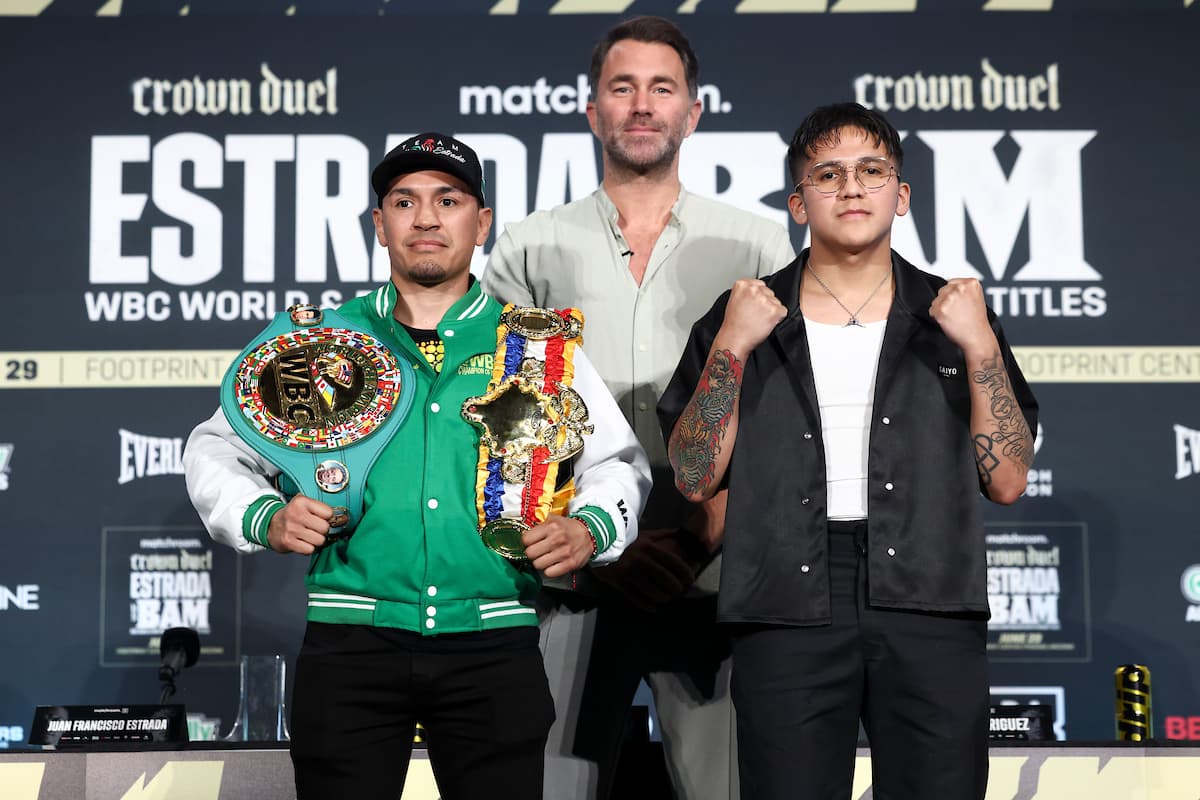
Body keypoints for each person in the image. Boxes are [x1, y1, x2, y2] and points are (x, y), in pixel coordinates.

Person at [183, 132, 650, 800]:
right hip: (352, 641)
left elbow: (619, 465)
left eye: (448, 199)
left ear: (481, 221)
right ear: (379, 223)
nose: (426, 218)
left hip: (494, 639)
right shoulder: (320, 342)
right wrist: (264, 517)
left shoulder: (535, 345)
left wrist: (591, 529)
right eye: (404, 201)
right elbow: (214, 448)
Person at [660, 102, 1038, 800]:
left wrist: (980, 345)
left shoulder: (953, 316)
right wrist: (732, 347)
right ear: (799, 204)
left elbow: (1010, 480)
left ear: (901, 194)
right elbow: (691, 477)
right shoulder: (744, 313)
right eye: (828, 175)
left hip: (929, 594)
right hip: (786, 600)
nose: (852, 188)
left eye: (871, 171)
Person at [483, 16, 793, 800]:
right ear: (593, 112)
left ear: (694, 111)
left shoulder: (759, 246)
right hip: (572, 587)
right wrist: (600, 547)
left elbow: (788, 423)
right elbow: (506, 426)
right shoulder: (528, 247)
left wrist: (699, 539)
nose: (642, 104)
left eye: (663, 88)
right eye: (622, 88)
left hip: (719, 582)